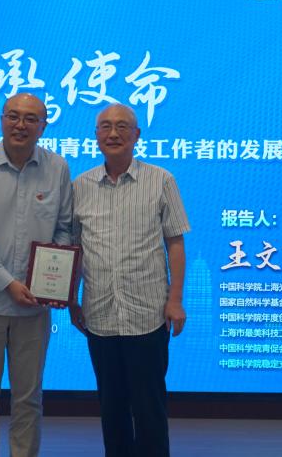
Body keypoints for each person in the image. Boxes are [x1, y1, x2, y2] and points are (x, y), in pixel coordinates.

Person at [70, 103, 190, 457]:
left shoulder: (161, 180)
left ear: (137, 135)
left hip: (147, 313)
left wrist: (175, 300)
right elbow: (75, 249)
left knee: (149, 407)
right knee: (112, 408)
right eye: (105, 126)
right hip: (100, 314)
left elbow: (175, 243)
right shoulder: (81, 186)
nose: (113, 133)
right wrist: (72, 299)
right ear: (96, 136)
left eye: (122, 126)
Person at [0, 93, 73, 457]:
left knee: (28, 398)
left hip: (33, 306)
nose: (20, 125)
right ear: (2, 120)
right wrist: (7, 283)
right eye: (13, 116)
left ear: (44, 126)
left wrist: (51, 280)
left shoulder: (58, 168)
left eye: (30, 119)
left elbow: (64, 229)